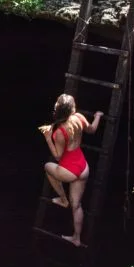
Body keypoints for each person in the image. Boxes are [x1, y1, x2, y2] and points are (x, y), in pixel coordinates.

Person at [39, 94, 103, 247]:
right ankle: (77, 238)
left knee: (48, 167)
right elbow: (92, 129)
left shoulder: (60, 131)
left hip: (70, 170)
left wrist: (48, 137)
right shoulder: (79, 117)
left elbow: (58, 156)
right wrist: (98, 116)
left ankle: (62, 198)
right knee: (77, 205)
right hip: (83, 166)